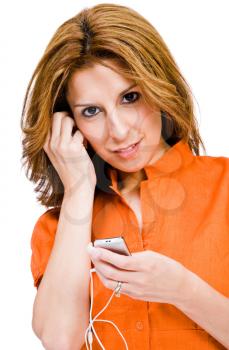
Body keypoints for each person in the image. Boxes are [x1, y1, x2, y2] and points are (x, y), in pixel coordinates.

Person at [21, 3, 229, 350]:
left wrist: (183, 290)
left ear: (160, 87)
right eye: (92, 111)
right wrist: (78, 190)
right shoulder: (59, 228)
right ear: (68, 124)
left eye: (130, 97)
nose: (118, 131)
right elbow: (60, 342)